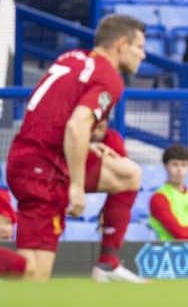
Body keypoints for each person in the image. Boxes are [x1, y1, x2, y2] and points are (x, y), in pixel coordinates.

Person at [0, 14, 146, 281]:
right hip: (44, 170)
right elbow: (76, 126)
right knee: (32, 276)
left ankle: (107, 264)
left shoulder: (72, 58)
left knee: (128, 174)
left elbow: (57, 115)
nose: (143, 55)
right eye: (139, 47)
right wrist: (76, 187)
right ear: (121, 44)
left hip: (33, 157)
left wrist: (87, 145)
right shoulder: (109, 77)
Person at [84, 118, 145, 282]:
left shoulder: (112, 138)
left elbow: (123, 180)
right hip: (52, 171)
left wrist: (109, 213)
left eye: (103, 118)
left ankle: (108, 263)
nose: (100, 122)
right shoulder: (64, 129)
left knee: (131, 175)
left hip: (83, 175)